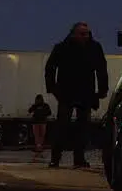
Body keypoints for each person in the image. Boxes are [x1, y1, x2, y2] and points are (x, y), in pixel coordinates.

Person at [43, 22, 108, 169]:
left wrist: (102, 90)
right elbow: (50, 68)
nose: (86, 36)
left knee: (82, 128)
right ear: (74, 34)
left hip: (82, 92)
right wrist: (53, 88)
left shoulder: (92, 48)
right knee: (62, 126)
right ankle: (57, 158)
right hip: (68, 92)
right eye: (82, 34)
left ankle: (77, 159)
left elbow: (101, 69)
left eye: (87, 33)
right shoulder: (63, 48)